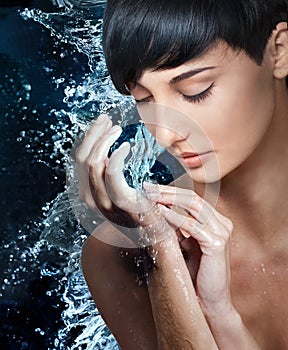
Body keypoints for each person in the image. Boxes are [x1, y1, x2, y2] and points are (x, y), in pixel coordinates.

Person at [77, 0, 288, 349]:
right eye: (144, 99)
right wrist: (160, 250)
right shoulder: (115, 256)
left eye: (195, 90)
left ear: (278, 50)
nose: (165, 134)